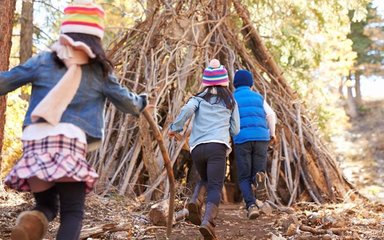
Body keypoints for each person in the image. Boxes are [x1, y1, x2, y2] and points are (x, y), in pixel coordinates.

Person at [0, 1, 147, 239]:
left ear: (65, 31)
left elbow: (6, 81)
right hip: (69, 144)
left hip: (36, 144)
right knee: (72, 212)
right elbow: (126, 102)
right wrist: (141, 103)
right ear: (96, 37)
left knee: (47, 206)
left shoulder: (43, 61)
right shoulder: (100, 71)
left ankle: (30, 221)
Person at [168, 59, 240, 240]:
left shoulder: (198, 99)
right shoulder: (230, 101)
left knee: (205, 179)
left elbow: (186, 111)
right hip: (217, 147)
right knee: (215, 185)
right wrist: (226, 130)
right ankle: (208, 221)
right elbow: (236, 129)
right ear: (224, 82)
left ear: (206, 82)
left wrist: (175, 128)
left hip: (197, 148)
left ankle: (194, 201)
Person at [232, 69, 277, 220]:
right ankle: (259, 180)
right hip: (261, 138)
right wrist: (273, 133)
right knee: (258, 172)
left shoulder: (232, 98)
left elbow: (227, 119)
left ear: (234, 84)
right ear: (251, 84)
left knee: (244, 177)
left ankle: (251, 205)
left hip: (242, 138)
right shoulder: (258, 97)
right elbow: (270, 114)